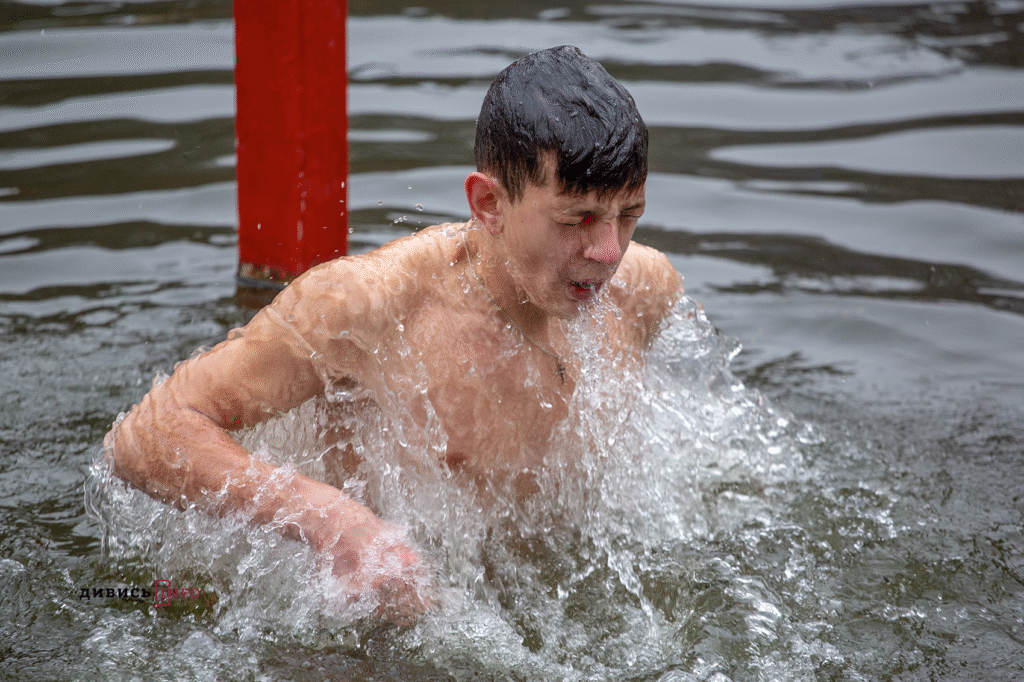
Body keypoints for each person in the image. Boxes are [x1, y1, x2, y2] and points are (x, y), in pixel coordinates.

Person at [104, 45, 683, 620]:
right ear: (488, 204)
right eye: (576, 219)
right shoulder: (367, 307)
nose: (608, 252)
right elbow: (145, 436)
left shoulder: (645, 292)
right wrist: (339, 528)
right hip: (365, 627)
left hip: (542, 603)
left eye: (628, 214)